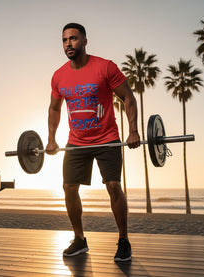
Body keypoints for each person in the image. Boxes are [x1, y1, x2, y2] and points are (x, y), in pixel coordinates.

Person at [45, 23, 140, 262]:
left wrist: (133, 131)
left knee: (113, 186)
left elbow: (128, 97)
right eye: (65, 39)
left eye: (74, 39)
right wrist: (51, 139)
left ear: (85, 41)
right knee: (69, 188)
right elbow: (55, 108)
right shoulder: (59, 76)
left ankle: (123, 239)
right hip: (77, 142)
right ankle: (79, 239)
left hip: (107, 138)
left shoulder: (105, 67)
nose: (69, 43)